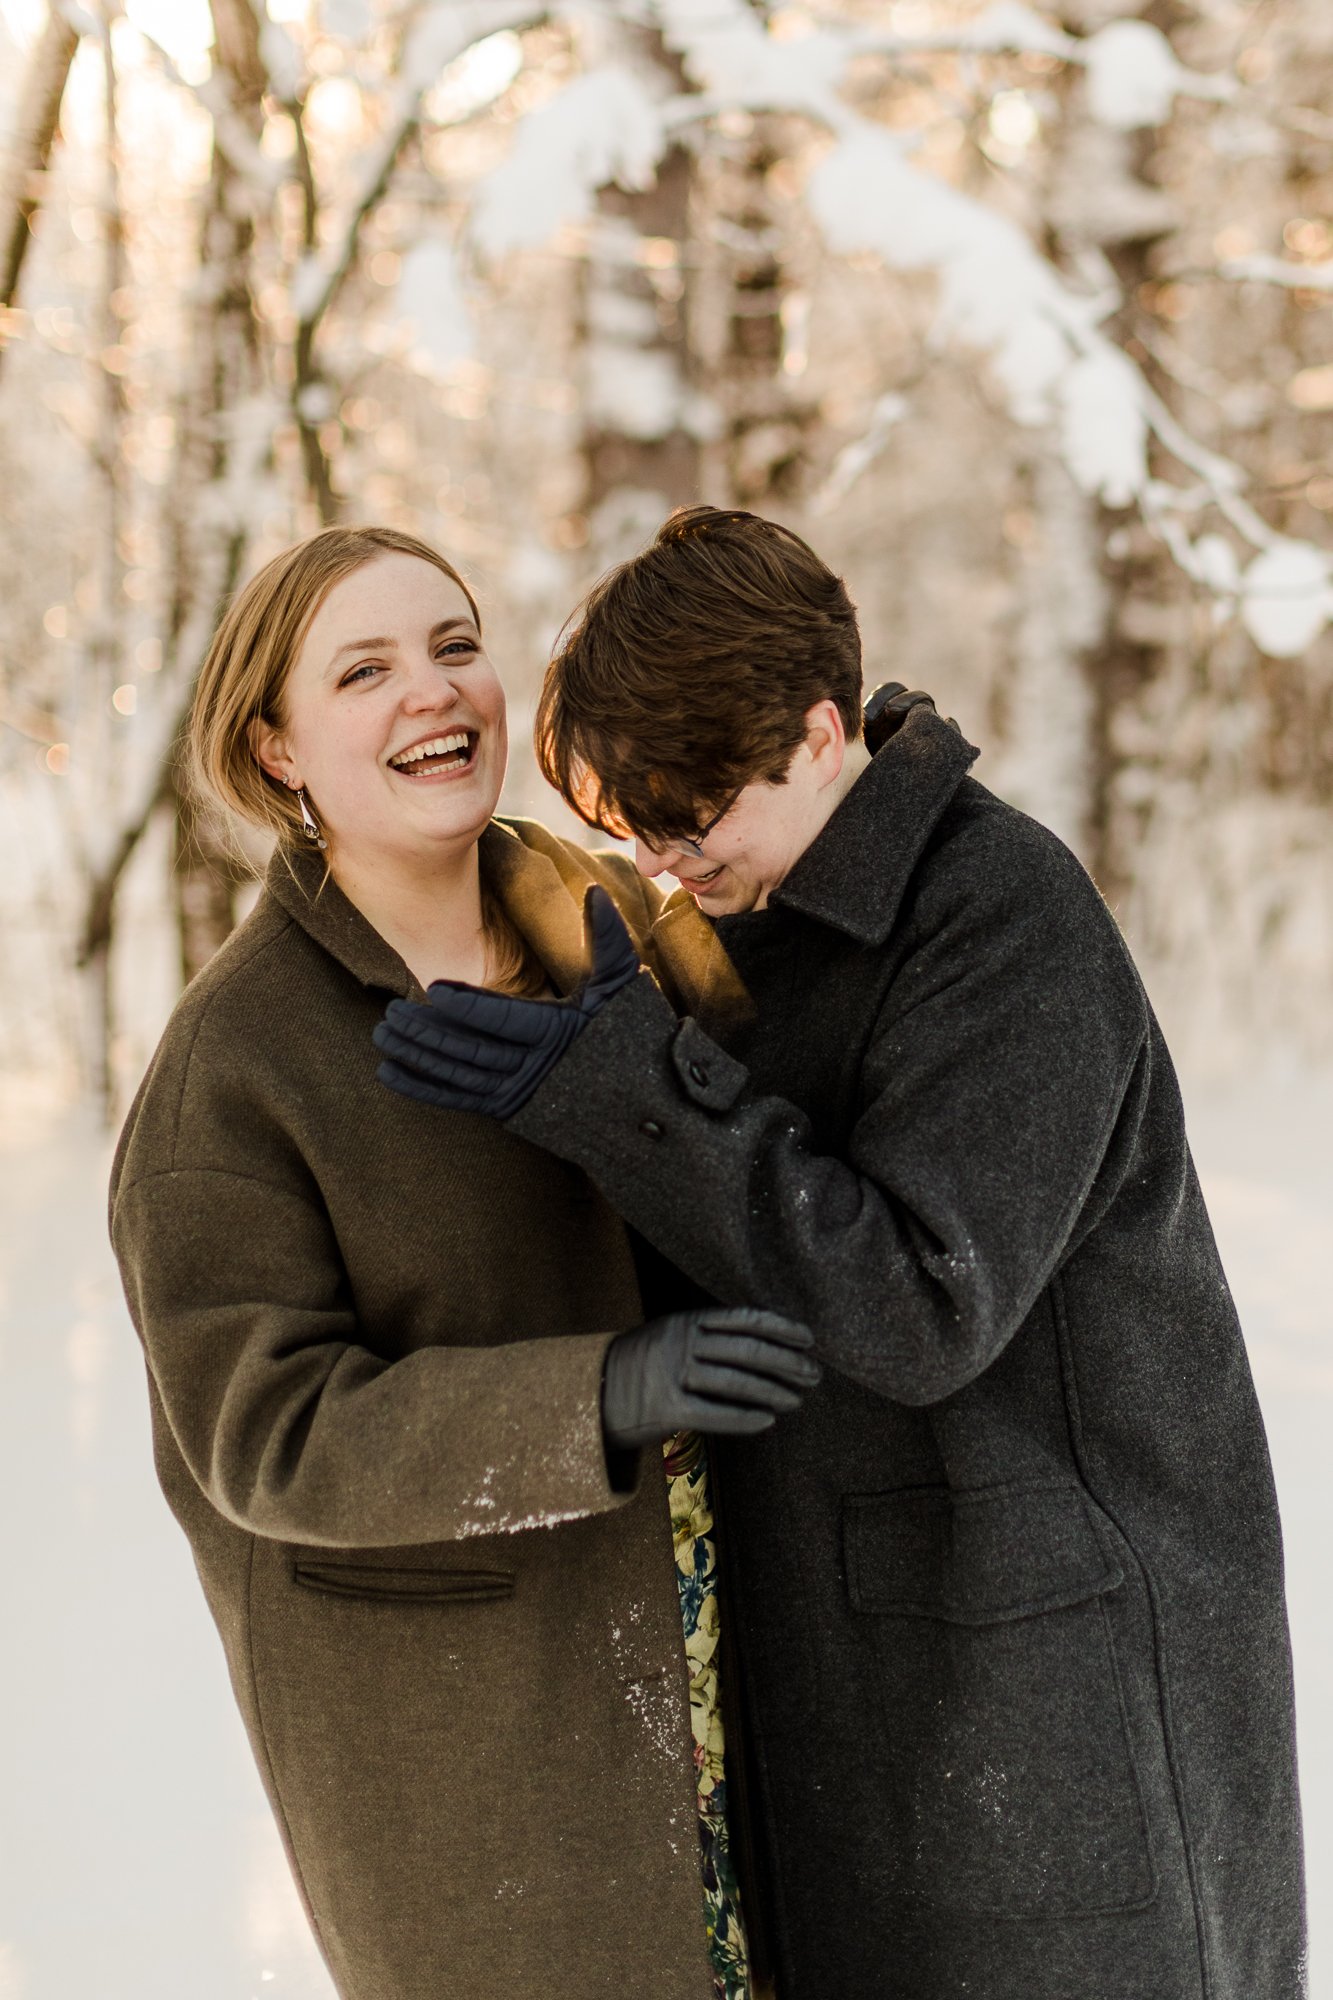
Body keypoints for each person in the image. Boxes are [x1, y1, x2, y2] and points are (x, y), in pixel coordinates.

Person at [373, 505, 1307, 2000]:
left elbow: (920, 1304)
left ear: (817, 731)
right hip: (898, 1689)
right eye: (639, 832)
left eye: (692, 819)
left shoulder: (999, 915)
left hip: (1055, 1701)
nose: (670, 865)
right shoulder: (763, 921)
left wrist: (626, 1091)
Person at [109, 522, 819, 2000]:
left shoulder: (614, 920)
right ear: (279, 750)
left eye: (452, 646)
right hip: (477, 1733)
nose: (432, 692)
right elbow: (270, 1434)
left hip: (726, 1646)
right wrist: (604, 1392)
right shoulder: (234, 1068)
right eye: (362, 671)